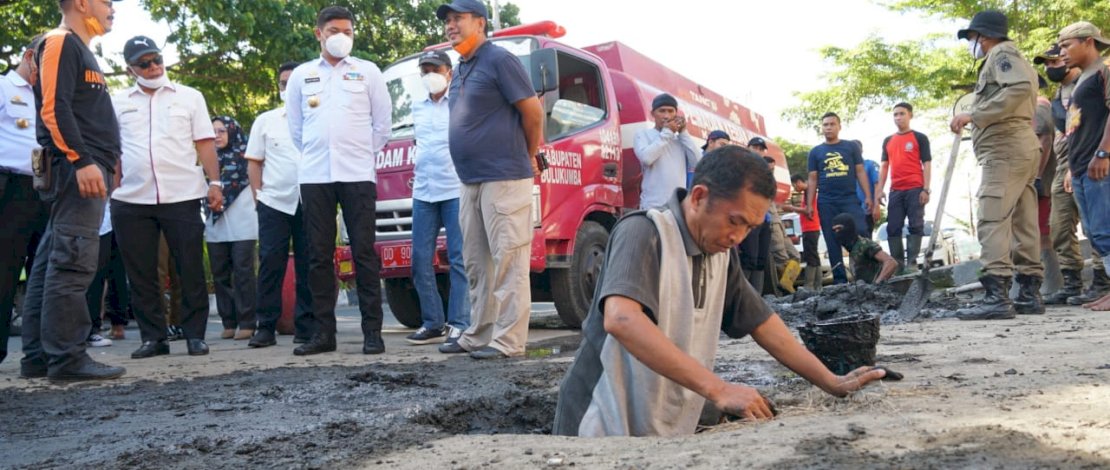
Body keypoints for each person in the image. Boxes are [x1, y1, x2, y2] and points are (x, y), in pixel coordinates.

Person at [552, 147, 885, 437]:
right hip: (598, 423)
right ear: (698, 197)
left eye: (749, 227)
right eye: (735, 221)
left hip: (660, 427)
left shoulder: (721, 255)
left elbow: (763, 323)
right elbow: (621, 319)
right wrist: (719, 389)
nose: (739, 237)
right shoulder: (644, 231)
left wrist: (831, 381)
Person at [20, 0, 125, 381]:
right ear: (81, 3)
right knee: (72, 260)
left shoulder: (76, 48)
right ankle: (66, 358)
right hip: (75, 169)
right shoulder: (61, 40)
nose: (112, 8)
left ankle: (40, 356)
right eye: (106, 2)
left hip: (81, 168)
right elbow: (53, 108)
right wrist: (81, 160)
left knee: (53, 260)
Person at [435, 0, 544, 360]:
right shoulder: (460, 68)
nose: (451, 25)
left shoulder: (500, 60)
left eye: (458, 18)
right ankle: (479, 333)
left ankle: (509, 341)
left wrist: (528, 155)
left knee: (509, 261)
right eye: (448, 20)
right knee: (476, 263)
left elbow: (533, 112)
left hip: (504, 176)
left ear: (480, 23)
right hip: (470, 180)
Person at [286, 5, 392, 355]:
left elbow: (383, 126)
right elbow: (297, 130)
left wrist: (359, 152)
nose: (341, 37)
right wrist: (321, 151)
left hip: (357, 174)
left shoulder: (368, 71)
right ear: (319, 34)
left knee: (363, 252)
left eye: (347, 31)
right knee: (318, 255)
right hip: (315, 175)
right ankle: (323, 334)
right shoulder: (301, 75)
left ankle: (372, 332)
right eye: (334, 31)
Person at [111, 35, 222, 358]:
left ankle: (195, 335)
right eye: (144, 63)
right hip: (132, 198)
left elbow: (205, 142)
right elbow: (113, 150)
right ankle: (153, 338)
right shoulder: (116, 102)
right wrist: (113, 189)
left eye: (156, 59)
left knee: (189, 268)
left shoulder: (190, 97)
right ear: (130, 69)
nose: (153, 67)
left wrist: (215, 182)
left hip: (182, 194)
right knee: (142, 272)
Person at [950, 10, 1043, 320]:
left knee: (992, 217)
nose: (971, 43)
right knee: (1023, 220)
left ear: (985, 36)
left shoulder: (1001, 54)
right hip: (1019, 147)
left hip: (1005, 149)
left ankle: (997, 296)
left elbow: (1019, 89)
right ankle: (1029, 293)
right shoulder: (1005, 56)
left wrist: (975, 114)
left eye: (971, 37)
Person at [246, 61, 314, 348]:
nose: (288, 88)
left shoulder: (317, 116)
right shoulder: (266, 120)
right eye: (283, 83)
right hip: (273, 202)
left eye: (293, 82)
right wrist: (259, 198)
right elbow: (254, 162)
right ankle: (265, 327)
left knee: (310, 264)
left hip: (311, 201)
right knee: (271, 263)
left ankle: (307, 327)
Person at [1036, 45, 1110, 305]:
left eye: (1055, 61)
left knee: (1098, 226)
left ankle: (1101, 281)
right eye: (1046, 64)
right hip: (1066, 164)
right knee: (1060, 226)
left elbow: (1093, 127)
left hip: (1090, 160)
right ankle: (1072, 283)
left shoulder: (1091, 82)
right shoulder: (1059, 95)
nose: (1051, 67)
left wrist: (1098, 156)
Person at [405, 50, 470, 346]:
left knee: (458, 259)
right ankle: (432, 322)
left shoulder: (460, 101)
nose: (430, 74)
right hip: (423, 191)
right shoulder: (417, 106)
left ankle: (460, 324)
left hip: (454, 188)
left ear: (449, 72)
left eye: (436, 68)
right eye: (425, 69)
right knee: (419, 260)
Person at [0, 35, 48, 365]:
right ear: (30, 57)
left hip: (47, 188)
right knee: (4, 273)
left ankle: (39, 353)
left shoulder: (50, 95)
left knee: (44, 273)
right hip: (11, 188)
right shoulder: (4, 87)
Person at [1056, 21, 1110, 311]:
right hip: (1080, 168)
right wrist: (1071, 168)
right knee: (1095, 233)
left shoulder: (1104, 70)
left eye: (1067, 45)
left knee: (1106, 230)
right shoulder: (1082, 78)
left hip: (1099, 165)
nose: (1062, 52)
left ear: (1088, 41)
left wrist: (1103, 153)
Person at [206, 116, 258, 340]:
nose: (216, 136)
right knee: (220, 273)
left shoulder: (246, 156)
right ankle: (229, 322)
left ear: (233, 131)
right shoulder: (208, 159)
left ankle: (247, 322)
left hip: (243, 220)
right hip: (215, 221)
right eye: (213, 131)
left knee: (243, 272)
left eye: (222, 131)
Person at [806, 112, 872, 284]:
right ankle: (840, 281)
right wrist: (809, 205)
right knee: (831, 239)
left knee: (861, 231)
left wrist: (868, 196)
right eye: (825, 125)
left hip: (849, 199)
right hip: (826, 201)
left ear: (839, 127)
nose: (828, 128)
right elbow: (812, 178)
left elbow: (860, 172)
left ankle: (866, 274)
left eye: (832, 124)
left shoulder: (851, 147)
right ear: (822, 128)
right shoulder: (815, 152)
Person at [875, 102, 932, 274]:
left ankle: (912, 264)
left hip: (915, 188)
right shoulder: (888, 140)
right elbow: (884, 166)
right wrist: (879, 189)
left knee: (916, 225)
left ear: (910, 115)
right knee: (893, 228)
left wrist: (926, 189)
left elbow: (927, 163)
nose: (898, 117)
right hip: (896, 191)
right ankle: (898, 266)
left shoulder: (920, 137)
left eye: (902, 114)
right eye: (895, 114)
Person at [633, 92, 699, 209]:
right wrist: (667, 133)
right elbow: (647, 158)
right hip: (653, 205)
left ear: (676, 114)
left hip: (677, 206)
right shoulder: (642, 135)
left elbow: (698, 163)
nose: (666, 116)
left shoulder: (681, 139)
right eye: (662, 111)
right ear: (653, 114)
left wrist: (683, 132)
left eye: (670, 111)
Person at [84, 200, 128, 346]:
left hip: (103, 215)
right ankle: (113, 325)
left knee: (99, 274)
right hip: (112, 211)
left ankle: (93, 329)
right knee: (110, 271)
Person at [831, 214, 898, 284]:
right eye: (835, 230)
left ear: (849, 227)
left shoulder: (864, 244)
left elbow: (891, 263)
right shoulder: (853, 248)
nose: (837, 233)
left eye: (839, 229)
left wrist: (877, 284)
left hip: (882, 288)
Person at [787, 174, 822, 291]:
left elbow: (808, 210)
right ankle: (818, 285)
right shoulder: (808, 192)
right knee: (814, 257)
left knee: (810, 257)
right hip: (811, 228)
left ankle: (809, 285)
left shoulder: (808, 192)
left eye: (794, 185)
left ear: (798, 182)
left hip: (810, 228)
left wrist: (791, 208)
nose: (795, 188)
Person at [852, 141, 880, 239]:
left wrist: (876, 206)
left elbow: (877, 185)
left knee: (866, 239)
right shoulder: (846, 168)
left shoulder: (870, 165)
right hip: (851, 210)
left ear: (861, 150)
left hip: (866, 210)